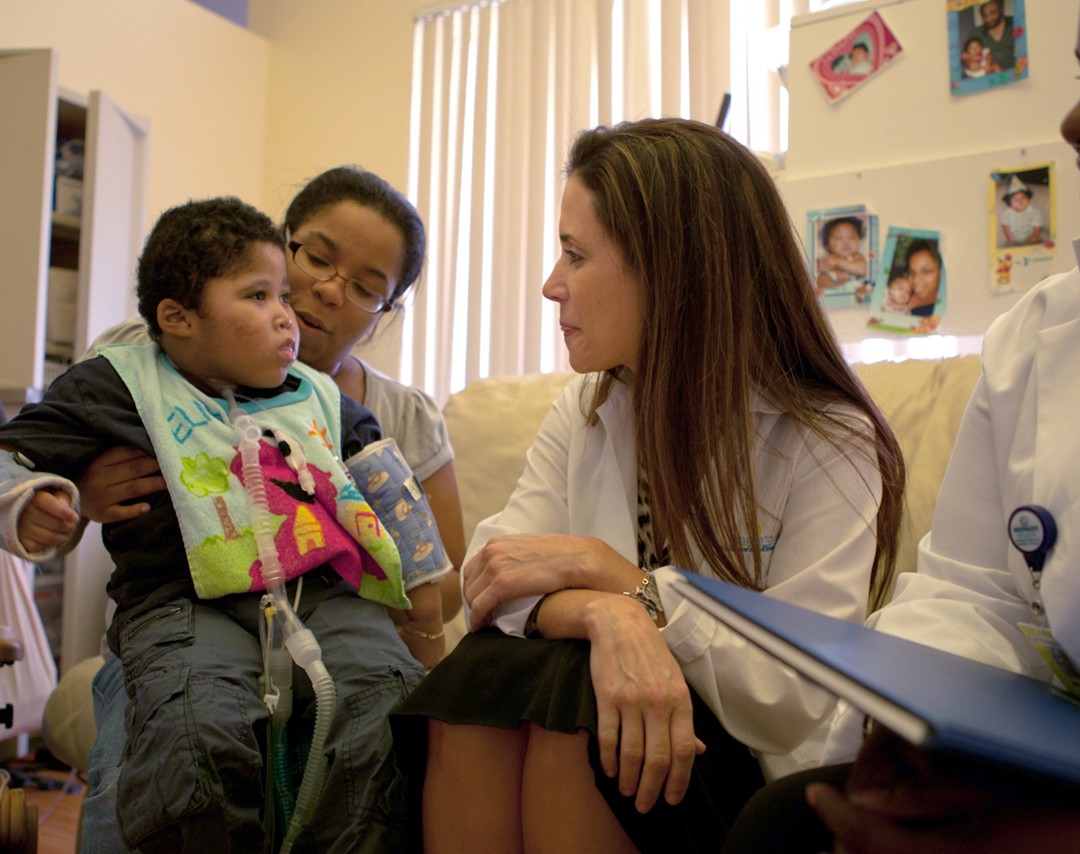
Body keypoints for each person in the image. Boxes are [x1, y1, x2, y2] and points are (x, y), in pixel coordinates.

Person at [727, 0, 1080, 850]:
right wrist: (915, 726)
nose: (1079, 119)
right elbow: (972, 589)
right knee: (789, 824)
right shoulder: (1044, 335)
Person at [393, 117, 906, 853]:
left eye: (575, 254)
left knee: (578, 695)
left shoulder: (827, 438)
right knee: (495, 672)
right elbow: (494, 573)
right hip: (609, 726)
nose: (551, 284)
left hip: (736, 765)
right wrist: (613, 617)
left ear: (672, 270)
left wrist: (628, 586)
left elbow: (793, 692)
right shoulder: (591, 405)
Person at [0, 197, 432, 851]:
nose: (290, 312)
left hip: (330, 602)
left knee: (384, 704)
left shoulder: (324, 400)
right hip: (180, 605)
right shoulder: (119, 383)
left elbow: (390, 489)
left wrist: (427, 569)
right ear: (178, 318)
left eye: (367, 286)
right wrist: (34, 498)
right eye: (264, 294)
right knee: (195, 724)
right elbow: (15, 457)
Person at [815, 216, 870, 295]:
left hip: (852, 292)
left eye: (851, 237)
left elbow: (863, 270)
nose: (845, 242)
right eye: (838, 238)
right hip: (830, 294)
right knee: (820, 280)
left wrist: (838, 261)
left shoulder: (856, 256)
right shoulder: (827, 257)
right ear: (827, 243)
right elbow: (812, 270)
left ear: (859, 240)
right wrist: (819, 266)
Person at [902, 239, 943, 317]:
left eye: (926, 271)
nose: (916, 281)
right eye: (912, 272)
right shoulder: (902, 292)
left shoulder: (937, 314)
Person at [1000, 175, 1043, 246]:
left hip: (1030, 238)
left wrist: (1034, 237)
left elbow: (1037, 226)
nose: (1020, 201)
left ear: (1029, 200)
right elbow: (1005, 226)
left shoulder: (1033, 212)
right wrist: (1010, 237)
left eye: (1023, 198)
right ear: (1009, 203)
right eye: (1016, 199)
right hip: (1013, 240)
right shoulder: (1007, 213)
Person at [977, 0, 1017, 72]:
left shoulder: (1015, 23)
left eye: (993, 13)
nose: (989, 19)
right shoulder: (977, 33)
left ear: (1001, 10)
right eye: (985, 15)